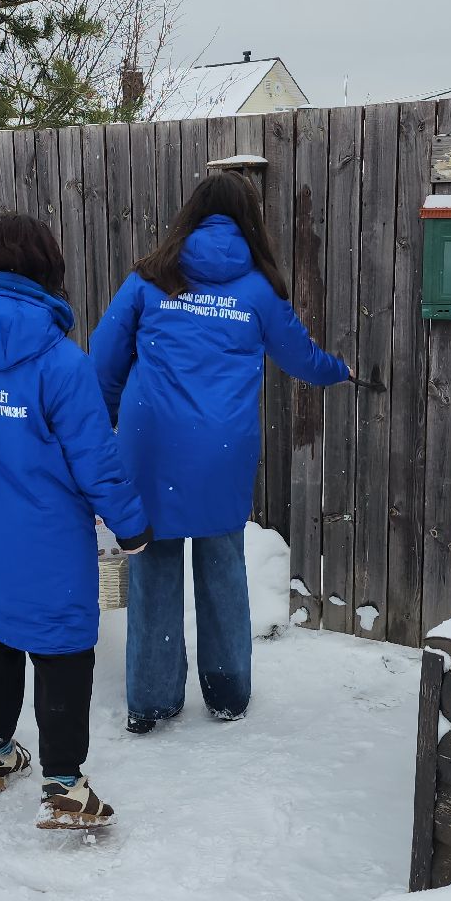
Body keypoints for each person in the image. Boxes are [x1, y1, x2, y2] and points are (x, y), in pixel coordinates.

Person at [0, 212, 152, 830]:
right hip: (46, 536)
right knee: (63, 643)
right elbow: (97, 459)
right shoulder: (60, 363)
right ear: (46, 271)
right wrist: (131, 526)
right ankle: (65, 787)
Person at [90, 171, 360, 734]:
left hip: (152, 446)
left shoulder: (149, 278)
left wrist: (107, 425)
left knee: (154, 570)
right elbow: (300, 357)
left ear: (190, 215)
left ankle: (154, 700)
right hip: (222, 449)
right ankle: (228, 692)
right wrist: (341, 371)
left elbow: (103, 363)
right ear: (249, 220)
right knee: (222, 570)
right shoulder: (258, 288)